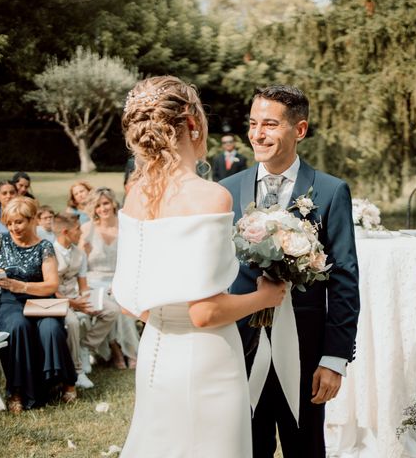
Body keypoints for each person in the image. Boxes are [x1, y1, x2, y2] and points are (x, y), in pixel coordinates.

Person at [112, 75, 286, 458]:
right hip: (207, 363)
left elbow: (127, 300)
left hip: (155, 351)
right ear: (192, 123)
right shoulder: (211, 196)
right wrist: (265, 296)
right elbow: (206, 313)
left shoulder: (135, 194)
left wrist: (165, 317)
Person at [220, 85, 360, 458]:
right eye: (252, 123)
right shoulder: (225, 191)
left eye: (269, 124)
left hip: (306, 349)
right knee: (245, 446)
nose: (257, 134)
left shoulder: (330, 192)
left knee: (306, 448)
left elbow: (344, 278)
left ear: (299, 130)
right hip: (240, 345)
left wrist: (334, 358)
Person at [0, 197, 77, 412]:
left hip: (41, 299)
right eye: (9, 223)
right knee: (17, 326)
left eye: (19, 222)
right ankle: (17, 391)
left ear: (31, 221)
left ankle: (64, 382)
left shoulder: (45, 247)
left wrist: (24, 287)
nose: (14, 228)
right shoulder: (2, 240)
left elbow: (51, 284)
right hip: (10, 301)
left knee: (50, 328)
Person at [52, 212, 119, 389]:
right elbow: (51, 290)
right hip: (55, 299)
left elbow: (83, 286)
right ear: (65, 231)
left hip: (74, 296)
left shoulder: (80, 254)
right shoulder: (49, 253)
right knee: (72, 322)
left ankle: (85, 347)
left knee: (111, 309)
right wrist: (74, 304)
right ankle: (78, 371)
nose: (81, 233)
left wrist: (90, 302)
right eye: (77, 230)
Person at [80, 187, 139, 369]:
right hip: (93, 281)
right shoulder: (87, 229)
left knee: (122, 305)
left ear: (113, 203)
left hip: (120, 278)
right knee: (109, 303)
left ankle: (129, 352)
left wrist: (120, 281)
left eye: (105, 203)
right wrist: (84, 250)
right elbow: (80, 264)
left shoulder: (126, 226)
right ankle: (116, 350)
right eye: (98, 205)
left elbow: (134, 259)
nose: (102, 208)